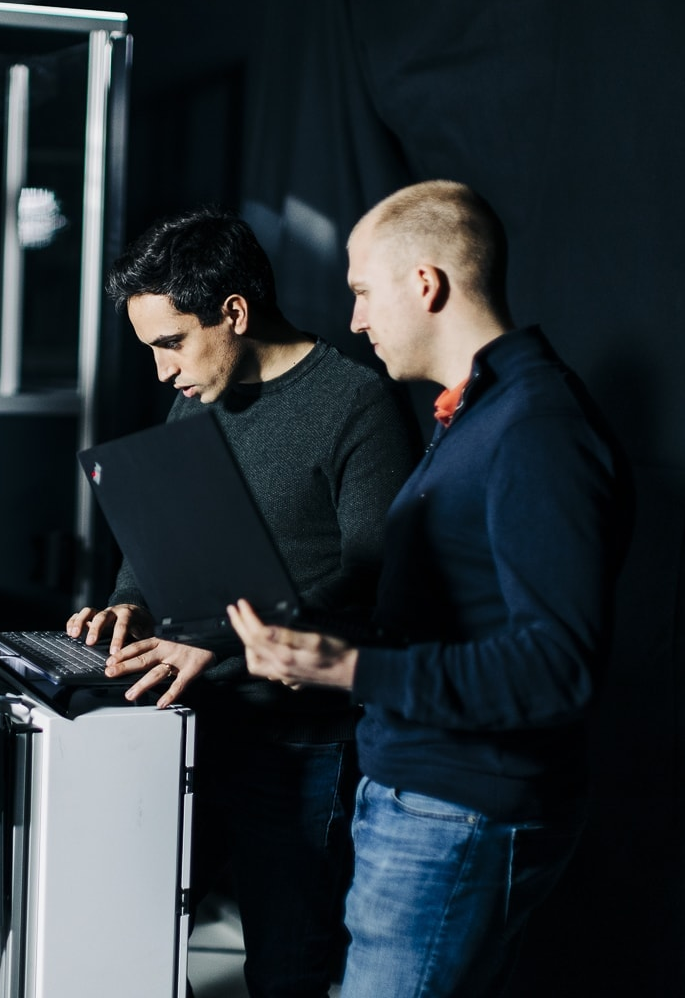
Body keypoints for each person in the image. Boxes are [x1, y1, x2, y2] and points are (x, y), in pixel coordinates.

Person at [228, 180, 636, 998]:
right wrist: (323, 649)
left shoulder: (536, 428)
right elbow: (459, 624)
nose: (355, 320)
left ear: (427, 284)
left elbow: (558, 668)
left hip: (457, 813)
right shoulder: (478, 417)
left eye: (363, 292)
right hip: (424, 801)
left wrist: (350, 671)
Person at [67, 207, 417, 996]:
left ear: (234, 312)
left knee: (285, 968)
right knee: (135, 942)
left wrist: (221, 638)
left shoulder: (357, 405)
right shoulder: (196, 394)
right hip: (192, 720)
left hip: (300, 742)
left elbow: (371, 577)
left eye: (171, 343)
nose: (163, 372)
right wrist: (130, 600)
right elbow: (160, 541)